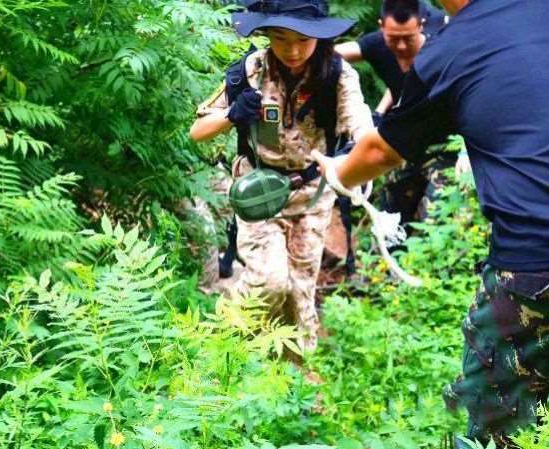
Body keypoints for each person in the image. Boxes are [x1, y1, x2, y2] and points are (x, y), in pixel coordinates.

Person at [317, 0, 549, 446]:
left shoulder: (450, 50)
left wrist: (339, 173)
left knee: (498, 425)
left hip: (532, 266)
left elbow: (380, 152)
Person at [190, 0, 373, 353]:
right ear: (267, 35)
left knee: (300, 292)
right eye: (280, 38)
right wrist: (232, 113)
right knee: (268, 281)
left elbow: (360, 124)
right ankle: (223, 347)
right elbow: (197, 131)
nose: (293, 50)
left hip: (312, 196)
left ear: (320, 37)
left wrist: (361, 158)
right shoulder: (250, 71)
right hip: (259, 192)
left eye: (303, 40)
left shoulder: (337, 75)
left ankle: (293, 373)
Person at [336, 0, 462, 225]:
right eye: (394, 39)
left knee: (436, 220)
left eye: (408, 38)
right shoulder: (377, 45)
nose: (401, 46)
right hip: (404, 146)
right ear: (382, 27)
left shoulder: (441, 54)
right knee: (390, 219)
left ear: (421, 25)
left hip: (448, 148)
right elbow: (328, 55)